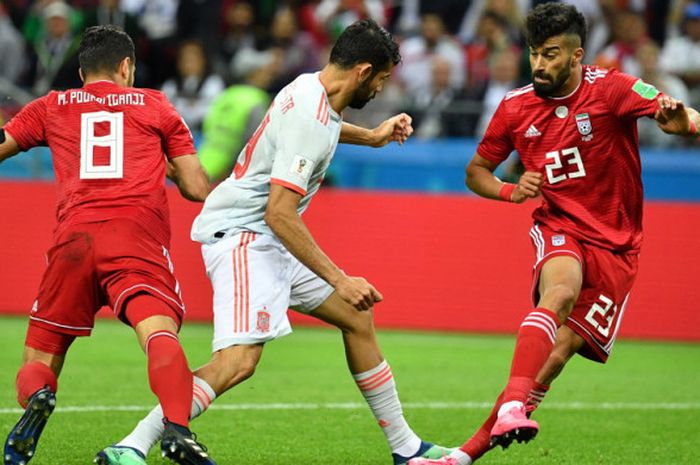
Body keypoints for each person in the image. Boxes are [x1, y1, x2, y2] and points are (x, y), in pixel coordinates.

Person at [96, 19, 450, 465]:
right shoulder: (310, 114)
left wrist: (372, 136)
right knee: (238, 362)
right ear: (362, 71)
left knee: (357, 319)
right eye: (381, 77)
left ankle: (406, 448)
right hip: (247, 236)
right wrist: (340, 279)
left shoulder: (308, 87)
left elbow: (323, 129)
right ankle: (132, 444)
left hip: (265, 235)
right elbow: (279, 213)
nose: (381, 88)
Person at [409, 4, 700, 465]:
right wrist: (510, 190)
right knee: (560, 292)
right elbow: (475, 172)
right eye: (534, 54)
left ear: (576, 55)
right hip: (560, 225)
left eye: (551, 54)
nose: (540, 64)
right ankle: (509, 409)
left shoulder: (613, 89)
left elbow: (686, 117)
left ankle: (464, 455)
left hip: (619, 246)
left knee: (557, 355)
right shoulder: (514, 107)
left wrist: (681, 122)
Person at [0, 25, 216, 465]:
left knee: (41, 351)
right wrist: (169, 167)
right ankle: (176, 429)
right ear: (126, 67)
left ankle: (39, 395)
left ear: (81, 73)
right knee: (158, 333)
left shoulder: (52, 105)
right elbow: (196, 187)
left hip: (74, 238)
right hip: (135, 237)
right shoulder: (155, 104)